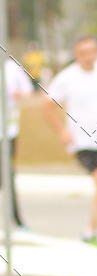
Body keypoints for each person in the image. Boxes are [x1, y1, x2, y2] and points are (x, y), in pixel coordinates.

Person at [45, 36, 97, 258]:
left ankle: (89, 231)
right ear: (76, 55)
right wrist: (61, 131)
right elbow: (48, 106)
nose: (88, 56)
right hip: (82, 141)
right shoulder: (67, 77)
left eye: (92, 51)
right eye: (83, 52)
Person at [0, 57, 33, 228]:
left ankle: (16, 220)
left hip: (8, 132)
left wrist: (20, 95)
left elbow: (28, 91)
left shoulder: (13, 68)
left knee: (7, 173)